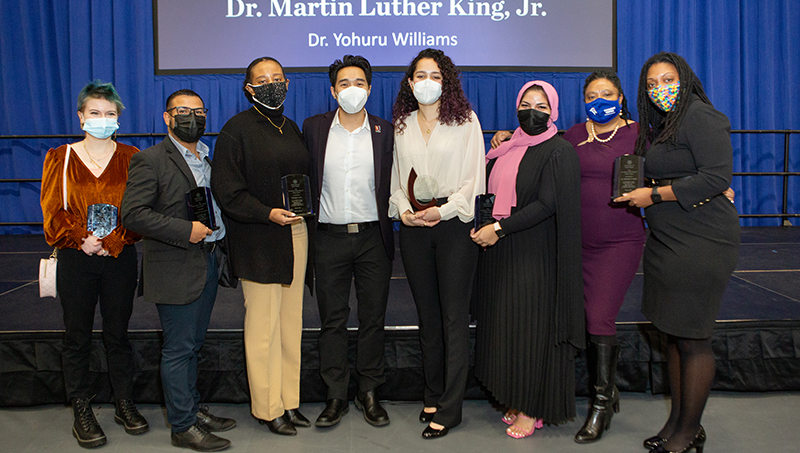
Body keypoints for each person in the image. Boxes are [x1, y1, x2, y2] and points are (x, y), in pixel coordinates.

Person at [614, 52, 739, 453]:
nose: (659, 90)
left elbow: (717, 177)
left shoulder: (701, 116)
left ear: (685, 79)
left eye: (667, 80)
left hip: (702, 240)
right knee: (672, 335)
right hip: (669, 239)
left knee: (692, 339)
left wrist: (652, 194)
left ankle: (688, 433)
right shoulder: (663, 125)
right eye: (651, 85)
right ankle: (677, 423)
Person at [121, 89, 236, 451]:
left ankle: (191, 407)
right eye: (183, 111)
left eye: (199, 111)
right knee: (178, 347)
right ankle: (182, 426)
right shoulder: (150, 159)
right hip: (175, 265)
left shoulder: (206, 157)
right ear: (167, 117)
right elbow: (133, 214)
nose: (193, 117)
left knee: (194, 345)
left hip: (208, 260)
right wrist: (185, 231)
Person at [472, 81, 584, 439]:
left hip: (535, 254)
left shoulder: (559, 150)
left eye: (541, 105)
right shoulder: (508, 146)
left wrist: (499, 229)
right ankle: (517, 398)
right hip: (503, 251)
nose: (532, 110)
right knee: (509, 329)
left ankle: (533, 407)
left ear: (553, 112)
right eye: (526, 102)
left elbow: (547, 204)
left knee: (532, 332)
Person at [40, 80, 148, 448]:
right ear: (81, 117)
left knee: (118, 334)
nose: (102, 119)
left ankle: (123, 402)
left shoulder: (134, 157)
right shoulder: (61, 157)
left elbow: (140, 211)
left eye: (109, 114)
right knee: (77, 335)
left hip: (120, 258)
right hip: (76, 258)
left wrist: (115, 241)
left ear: (118, 118)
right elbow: (53, 212)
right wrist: (81, 239)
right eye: (95, 113)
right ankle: (81, 407)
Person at [211, 57, 312, 437]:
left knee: (291, 324)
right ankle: (268, 407)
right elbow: (227, 191)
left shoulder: (292, 127)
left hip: (296, 235)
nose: (271, 84)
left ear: (287, 83)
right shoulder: (235, 130)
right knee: (263, 328)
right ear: (248, 88)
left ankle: (289, 401)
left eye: (277, 78)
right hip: (258, 239)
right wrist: (266, 212)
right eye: (262, 80)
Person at [389, 48, 485, 439]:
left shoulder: (466, 122)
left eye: (435, 75)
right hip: (413, 228)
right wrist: (403, 210)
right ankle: (431, 392)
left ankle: (451, 406)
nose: (427, 82)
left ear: (447, 82)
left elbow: (473, 181)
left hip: (453, 227)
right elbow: (395, 181)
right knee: (427, 315)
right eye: (420, 75)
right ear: (410, 83)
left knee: (452, 316)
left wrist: (441, 213)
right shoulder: (401, 124)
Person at [303, 55, 394, 428]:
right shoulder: (313, 128)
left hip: (374, 237)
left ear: (369, 89)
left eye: (359, 83)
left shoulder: (386, 131)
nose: (351, 89)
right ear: (333, 90)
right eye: (344, 83)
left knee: (373, 319)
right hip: (328, 239)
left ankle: (369, 392)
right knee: (333, 321)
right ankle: (335, 394)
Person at [562, 71, 645, 443]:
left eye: (607, 93)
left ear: (622, 98)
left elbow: (672, 164)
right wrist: (504, 139)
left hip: (620, 241)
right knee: (583, 319)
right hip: (577, 242)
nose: (600, 100)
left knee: (600, 316)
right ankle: (608, 392)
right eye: (592, 94)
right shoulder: (576, 134)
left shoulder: (641, 134)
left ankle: (600, 405)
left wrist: (716, 184)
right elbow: (540, 153)